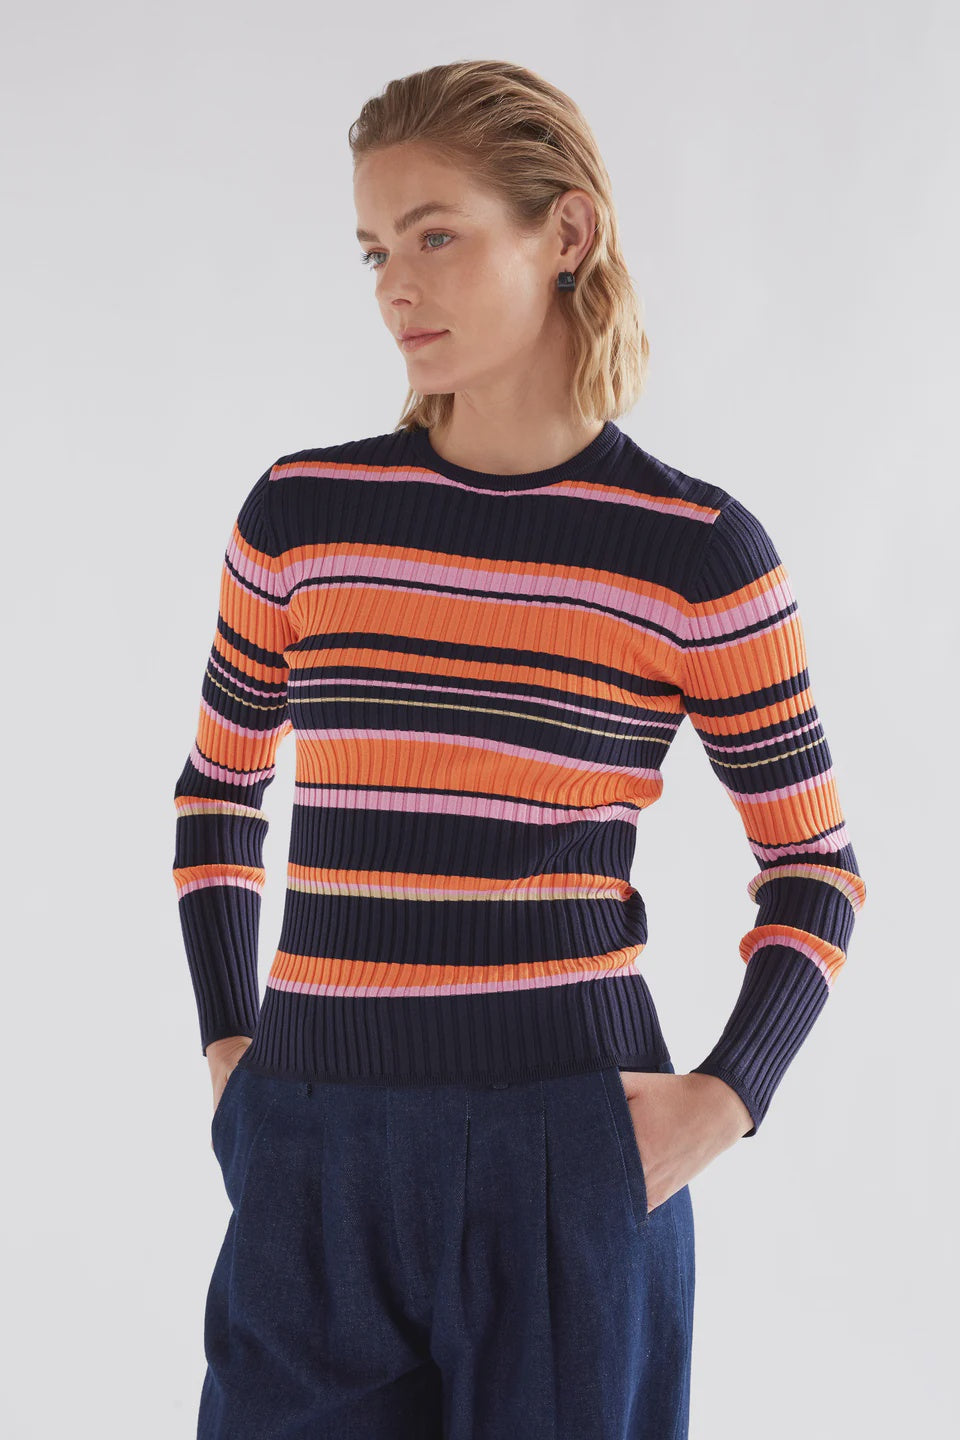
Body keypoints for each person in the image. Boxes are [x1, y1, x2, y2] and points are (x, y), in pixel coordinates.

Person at [172, 59, 866, 1440]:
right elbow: (218, 794)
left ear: (567, 233)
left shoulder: (695, 553)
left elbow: (816, 868)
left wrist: (728, 1096)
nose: (396, 286)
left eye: (436, 234)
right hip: (308, 1145)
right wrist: (232, 1056)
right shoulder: (302, 516)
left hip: (566, 1154)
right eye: (375, 249)